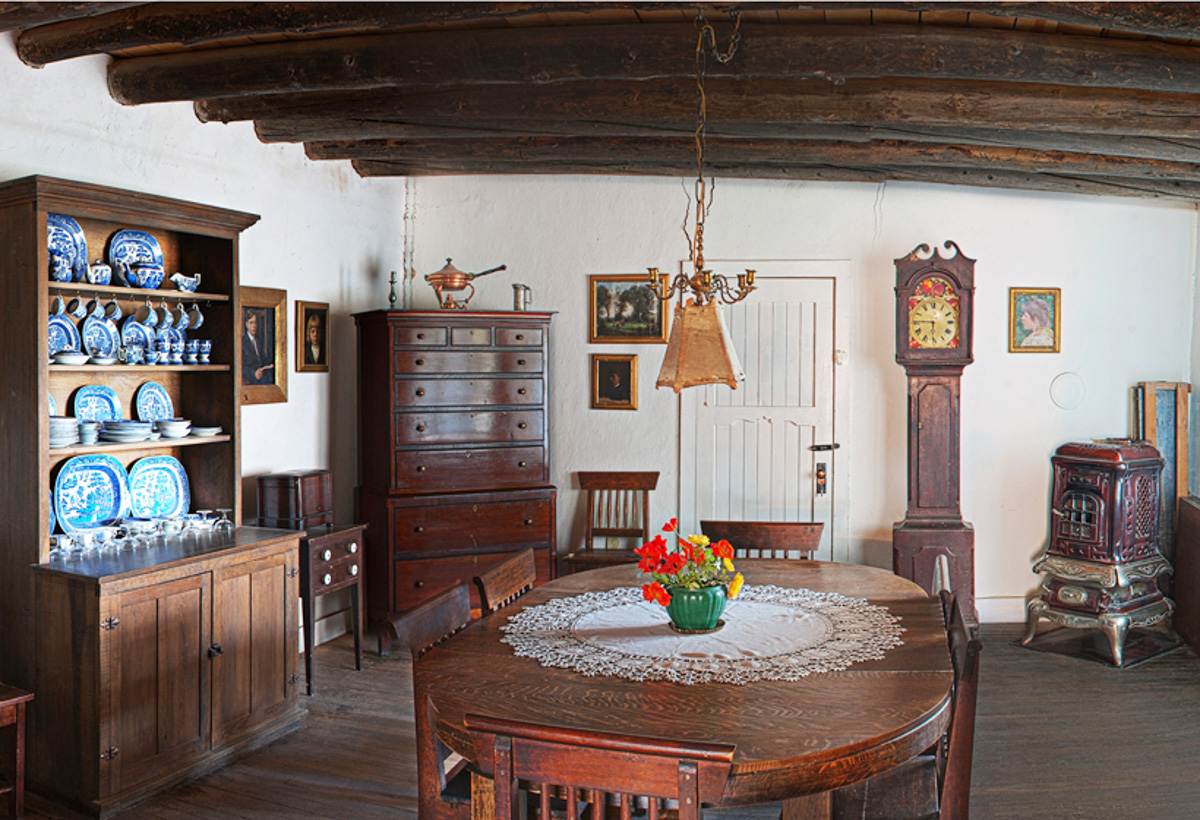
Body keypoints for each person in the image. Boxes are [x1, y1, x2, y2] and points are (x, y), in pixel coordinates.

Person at [242, 310, 274, 384]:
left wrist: (270, 365)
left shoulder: (258, 340)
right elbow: (241, 367)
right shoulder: (243, 342)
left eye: (255, 322)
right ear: (247, 324)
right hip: (252, 377)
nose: (254, 326)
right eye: (251, 323)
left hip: (262, 374)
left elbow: (263, 359)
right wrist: (253, 373)